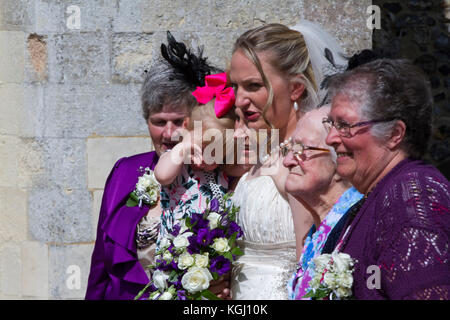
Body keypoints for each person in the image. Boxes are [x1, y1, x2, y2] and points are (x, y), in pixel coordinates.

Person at [85, 33, 223, 299]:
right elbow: (101, 262)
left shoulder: (216, 177)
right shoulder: (124, 172)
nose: (169, 133)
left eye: (179, 121)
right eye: (159, 122)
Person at [228, 21, 346, 299]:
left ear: (295, 89)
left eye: (254, 86)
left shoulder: (303, 161)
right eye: (236, 87)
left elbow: (309, 260)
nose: (239, 101)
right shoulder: (266, 154)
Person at [324, 58, 450, 299]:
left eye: (345, 125)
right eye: (331, 123)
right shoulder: (381, 193)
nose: (330, 138)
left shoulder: (412, 197)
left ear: (394, 134)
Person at [282, 106, 363, 300]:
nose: (287, 161)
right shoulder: (315, 234)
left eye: (302, 149)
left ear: (340, 161)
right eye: (289, 149)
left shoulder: (359, 225)